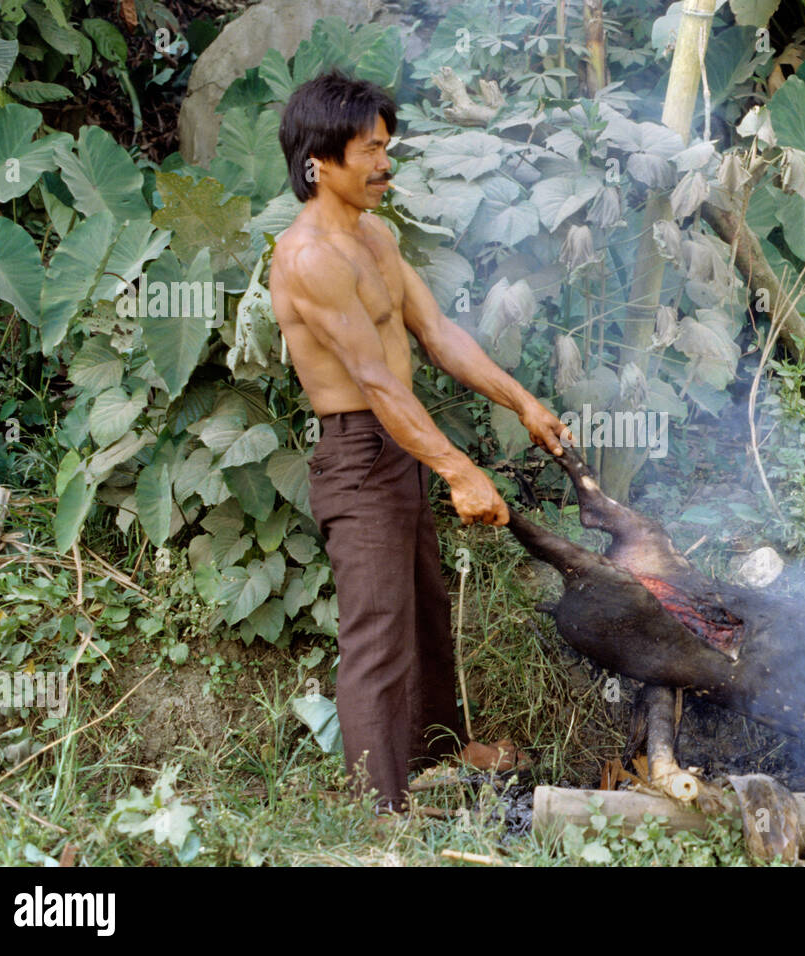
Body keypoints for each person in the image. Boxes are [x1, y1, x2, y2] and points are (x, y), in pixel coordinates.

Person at [268, 70, 571, 813]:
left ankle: (439, 752)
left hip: (398, 446)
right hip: (357, 452)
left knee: (425, 610)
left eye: (386, 146)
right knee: (376, 631)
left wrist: (522, 399)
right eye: (369, 150)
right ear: (320, 161)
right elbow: (375, 384)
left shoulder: (373, 236)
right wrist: (460, 470)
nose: (385, 164)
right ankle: (382, 809)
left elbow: (438, 336)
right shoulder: (309, 257)